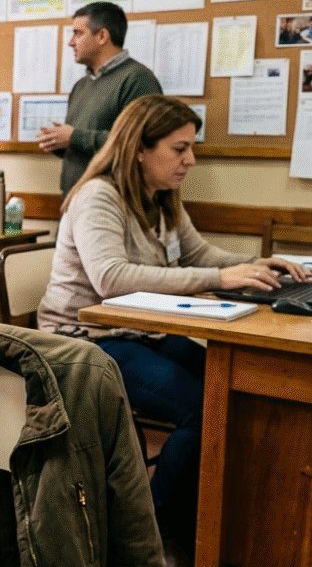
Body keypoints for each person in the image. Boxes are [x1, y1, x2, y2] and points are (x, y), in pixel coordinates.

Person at [36, 94, 307, 555]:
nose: (191, 159)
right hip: (81, 341)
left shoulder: (161, 199)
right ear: (140, 148)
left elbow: (202, 256)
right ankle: (153, 535)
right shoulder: (99, 196)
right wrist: (222, 278)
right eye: (179, 149)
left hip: (138, 331)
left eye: (191, 148)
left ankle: (204, 512)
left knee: (231, 389)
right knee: (203, 407)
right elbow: (111, 278)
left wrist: (259, 264)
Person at [36, 1, 162, 198]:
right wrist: (59, 142)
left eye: (78, 33)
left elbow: (139, 144)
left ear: (102, 36)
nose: (71, 42)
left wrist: (74, 137)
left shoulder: (138, 80)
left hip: (113, 202)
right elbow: (84, 145)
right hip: (74, 199)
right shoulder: (81, 85)